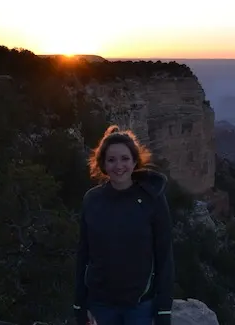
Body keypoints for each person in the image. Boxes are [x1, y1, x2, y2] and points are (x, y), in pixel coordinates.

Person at [73, 125, 174, 325]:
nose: (119, 166)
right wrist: (79, 305)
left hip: (140, 306)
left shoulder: (152, 198)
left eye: (125, 159)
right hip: (100, 305)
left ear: (135, 161)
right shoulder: (92, 200)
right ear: (103, 164)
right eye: (111, 160)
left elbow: (164, 256)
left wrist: (163, 310)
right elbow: (83, 254)